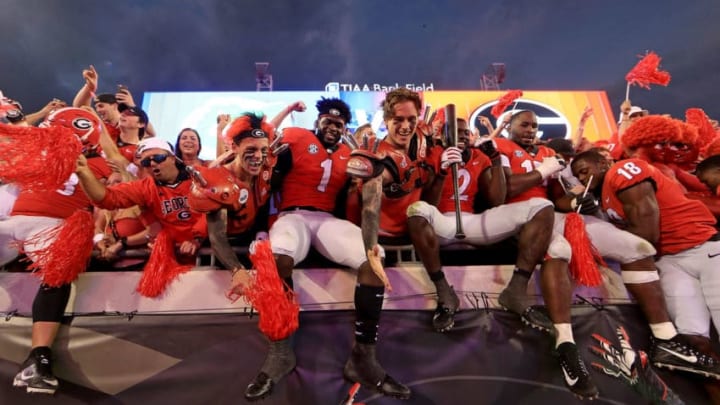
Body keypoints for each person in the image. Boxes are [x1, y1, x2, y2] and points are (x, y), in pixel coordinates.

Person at [243, 98, 410, 401]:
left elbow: (371, 189)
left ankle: (363, 357)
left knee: (372, 259)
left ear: (346, 128)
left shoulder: (351, 152)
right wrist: (260, 226)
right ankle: (280, 351)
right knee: (277, 257)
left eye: (339, 124)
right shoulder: (295, 138)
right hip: (291, 214)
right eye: (328, 122)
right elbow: (267, 181)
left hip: (326, 220)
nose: (333, 127)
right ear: (318, 121)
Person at [571, 150, 720, 378]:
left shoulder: (622, 170)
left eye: (584, 171)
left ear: (603, 163)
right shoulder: (605, 196)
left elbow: (646, 234)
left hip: (704, 249)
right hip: (668, 261)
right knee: (693, 341)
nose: (582, 179)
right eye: (577, 176)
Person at [406, 117, 558, 333]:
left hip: (472, 221)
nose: (462, 136)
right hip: (441, 221)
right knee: (417, 210)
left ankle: (516, 290)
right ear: (442, 136)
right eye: (456, 132)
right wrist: (441, 171)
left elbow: (496, 200)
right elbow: (429, 202)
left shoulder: (479, 156)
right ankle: (444, 292)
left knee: (542, 206)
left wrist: (495, 159)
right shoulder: (432, 154)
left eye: (465, 132)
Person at [3, 108, 112, 394]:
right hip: (14, 221)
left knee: (57, 277)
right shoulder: (36, 151)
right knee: (56, 278)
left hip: (51, 227)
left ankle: (39, 359)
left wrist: (100, 233)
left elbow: (103, 201)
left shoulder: (97, 164)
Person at [492, 109, 598, 399]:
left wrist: (579, 197)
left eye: (535, 126)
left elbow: (557, 199)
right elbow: (503, 191)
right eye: (524, 124)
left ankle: (566, 344)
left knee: (564, 248)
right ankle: (562, 338)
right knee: (556, 238)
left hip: (545, 216)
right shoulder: (500, 147)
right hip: (508, 215)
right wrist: (542, 172)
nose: (530, 129)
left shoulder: (547, 151)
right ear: (509, 127)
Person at [75, 137, 205, 297]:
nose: (152, 164)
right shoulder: (145, 188)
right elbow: (106, 199)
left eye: (158, 158)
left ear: (172, 157)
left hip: (207, 253)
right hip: (176, 259)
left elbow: (216, 214)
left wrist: (197, 238)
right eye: (146, 162)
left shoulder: (199, 178)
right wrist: (83, 172)